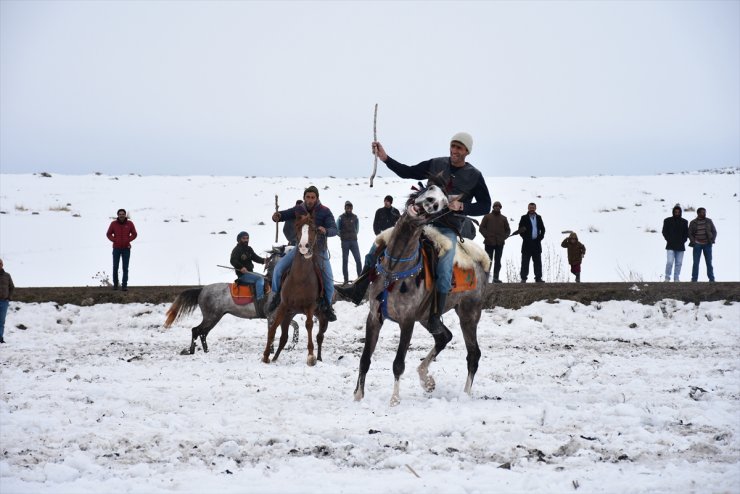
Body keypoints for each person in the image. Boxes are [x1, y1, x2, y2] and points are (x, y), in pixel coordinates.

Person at [339, 132, 492, 336]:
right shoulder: (437, 163)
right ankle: (358, 288)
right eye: (453, 146)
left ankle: (435, 316)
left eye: (459, 148)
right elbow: (407, 172)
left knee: (445, 269)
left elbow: (486, 205)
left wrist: (462, 206)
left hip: (448, 229)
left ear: (467, 151)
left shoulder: (474, 175)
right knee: (379, 242)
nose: (454, 150)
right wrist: (385, 158)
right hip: (421, 223)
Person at [268, 185, 338, 321]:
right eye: (308, 197)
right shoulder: (299, 209)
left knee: (329, 279)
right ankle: (276, 296)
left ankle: (327, 306)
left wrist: (326, 230)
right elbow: (285, 214)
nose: (310, 200)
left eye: (313, 197)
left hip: (319, 250)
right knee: (278, 268)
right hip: (300, 248)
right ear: (304, 198)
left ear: (317, 198)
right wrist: (278, 215)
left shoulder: (325, 211)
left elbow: (335, 229)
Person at [230, 231, 266, 306]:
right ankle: (260, 301)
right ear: (239, 239)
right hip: (243, 276)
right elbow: (233, 260)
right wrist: (241, 267)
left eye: (247, 238)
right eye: (244, 238)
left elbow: (255, 258)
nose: (246, 240)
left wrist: (264, 261)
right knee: (260, 279)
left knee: (265, 278)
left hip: (250, 273)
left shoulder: (249, 249)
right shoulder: (236, 250)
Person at [106, 208, 138, 291]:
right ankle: (115, 285)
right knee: (115, 267)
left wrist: (128, 240)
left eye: (123, 214)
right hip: (116, 248)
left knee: (125, 268)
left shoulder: (130, 224)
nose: (121, 215)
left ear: (125, 215)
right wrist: (114, 240)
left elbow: (134, 234)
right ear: (118, 215)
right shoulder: (113, 224)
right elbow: (108, 234)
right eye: (120, 214)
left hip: (126, 249)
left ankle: (124, 286)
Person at [479, 201, 511, 283]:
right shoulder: (487, 217)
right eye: (495, 206)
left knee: (498, 261)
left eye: (499, 206)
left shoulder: (504, 218)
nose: (497, 207)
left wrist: (503, 237)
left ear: (500, 207)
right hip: (489, 243)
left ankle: (495, 278)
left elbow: (508, 230)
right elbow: (481, 228)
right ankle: (485, 279)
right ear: (493, 207)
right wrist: (487, 236)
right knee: (487, 261)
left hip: (499, 243)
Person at [518, 203, 546, 283]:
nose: (532, 209)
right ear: (528, 208)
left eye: (533, 207)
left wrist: (540, 238)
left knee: (537, 262)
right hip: (527, 244)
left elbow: (543, 229)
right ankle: (523, 278)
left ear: (535, 208)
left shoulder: (539, 217)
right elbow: (520, 230)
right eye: (530, 207)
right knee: (525, 262)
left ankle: (538, 278)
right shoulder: (524, 218)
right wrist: (526, 238)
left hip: (536, 244)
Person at [688, 207, 717, 282]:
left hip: (707, 244)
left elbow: (714, 231)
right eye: (702, 212)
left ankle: (711, 279)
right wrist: (693, 241)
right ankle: (694, 279)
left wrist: (712, 240)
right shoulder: (693, 222)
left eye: (704, 212)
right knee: (696, 263)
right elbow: (689, 233)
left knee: (709, 262)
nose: (704, 213)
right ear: (698, 213)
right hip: (697, 245)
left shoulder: (709, 221)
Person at [662, 204, 689, 282]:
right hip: (670, 245)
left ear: (680, 213)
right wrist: (669, 239)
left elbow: (686, 233)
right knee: (669, 262)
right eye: (675, 212)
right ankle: (667, 277)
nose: (677, 213)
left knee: (679, 263)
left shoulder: (684, 222)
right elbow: (664, 232)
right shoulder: (667, 220)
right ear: (673, 212)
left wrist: (683, 240)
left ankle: (676, 278)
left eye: (678, 212)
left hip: (680, 246)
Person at [337, 201, 362, 285]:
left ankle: (360, 278)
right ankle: (346, 280)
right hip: (345, 242)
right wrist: (342, 236)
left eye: (350, 207)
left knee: (358, 259)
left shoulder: (355, 217)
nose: (349, 208)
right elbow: (337, 229)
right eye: (347, 207)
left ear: (352, 208)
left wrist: (353, 235)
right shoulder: (340, 218)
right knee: (345, 261)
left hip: (354, 241)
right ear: (345, 208)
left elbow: (357, 229)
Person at [0, 258, 14, 344]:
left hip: (4, 302)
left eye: (0, 264)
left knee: (1, 321)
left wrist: (9, 297)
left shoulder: (7, 275)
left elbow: (11, 287)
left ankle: (0, 337)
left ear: (2, 265)